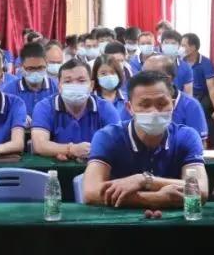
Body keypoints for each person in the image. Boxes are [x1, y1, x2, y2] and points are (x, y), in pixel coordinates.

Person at [82, 70, 207, 208]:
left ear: (172, 104)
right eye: (145, 105)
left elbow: (201, 190)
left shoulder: (187, 136)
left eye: (162, 103)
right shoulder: (108, 137)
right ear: (129, 108)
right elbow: (91, 192)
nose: (154, 112)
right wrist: (156, 199)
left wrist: (144, 180)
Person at [31, 59, 121, 160]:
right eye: (68, 81)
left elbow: (118, 143)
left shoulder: (106, 108)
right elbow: (39, 145)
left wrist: (92, 151)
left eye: (81, 81)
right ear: (59, 86)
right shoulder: (44, 107)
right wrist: (71, 149)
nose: (75, 85)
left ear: (91, 85)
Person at [180, 33, 214, 149]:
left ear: (193, 47)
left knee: (203, 109)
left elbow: (212, 88)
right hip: (184, 95)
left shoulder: (205, 63)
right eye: (180, 45)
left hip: (202, 96)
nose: (181, 48)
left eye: (184, 45)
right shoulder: (180, 61)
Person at [3, 42, 58, 119]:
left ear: (46, 65)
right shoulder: (9, 91)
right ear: (21, 67)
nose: (36, 72)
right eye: (30, 68)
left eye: (40, 68)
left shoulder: (55, 88)